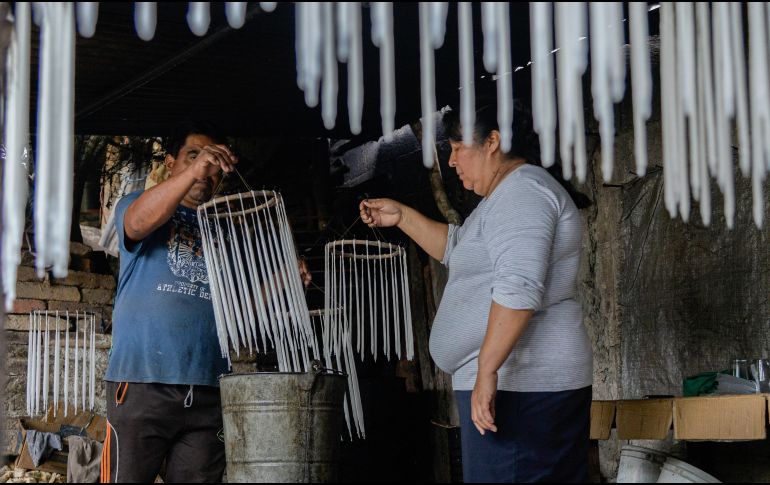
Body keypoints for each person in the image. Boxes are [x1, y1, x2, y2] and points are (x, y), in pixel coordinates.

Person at [359, 104, 593, 483]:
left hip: (525, 386)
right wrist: (401, 216)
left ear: (492, 143)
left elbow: (519, 286)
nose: (451, 161)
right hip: (516, 385)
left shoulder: (522, 194)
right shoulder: (502, 198)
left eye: (457, 147)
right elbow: (458, 248)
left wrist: (487, 369)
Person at [101, 120, 310, 483]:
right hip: (142, 384)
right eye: (193, 156)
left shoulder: (226, 231)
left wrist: (283, 281)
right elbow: (135, 225)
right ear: (170, 162)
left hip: (210, 390)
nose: (204, 169)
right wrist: (195, 170)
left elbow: (240, 314)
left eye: (212, 164)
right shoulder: (137, 204)